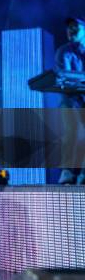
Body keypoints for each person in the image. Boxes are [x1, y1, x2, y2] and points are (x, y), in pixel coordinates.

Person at [55, 17, 85, 185]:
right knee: (70, 132)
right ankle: (67, 171)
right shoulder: (63, 51)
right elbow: (63, 76)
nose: (71, 31)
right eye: (69, 28)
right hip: (70, 100)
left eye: (75, 27)